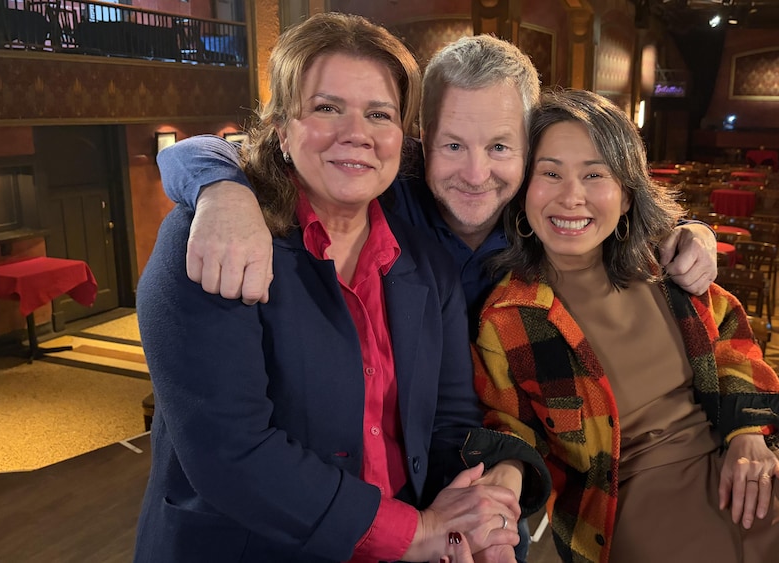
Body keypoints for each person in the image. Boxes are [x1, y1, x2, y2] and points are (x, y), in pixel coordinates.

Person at [155, 32, 720, 557]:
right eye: (453, 144)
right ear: (421, 141)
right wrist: (221, 189)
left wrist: (683, 233)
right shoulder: (387, 196)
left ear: (528, 148)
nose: (476, 174)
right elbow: (208, 150)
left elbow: (613, 214)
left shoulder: (543, 227)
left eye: (501, 147)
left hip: (465, 469)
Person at [135, 13, 550, 563]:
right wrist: (417, 533)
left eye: (378, 114)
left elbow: (448, 421)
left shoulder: (432, 258)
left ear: (400, 139)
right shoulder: (217, 238)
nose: (356, 133)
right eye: (327, 108)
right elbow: (230, 452)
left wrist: (480, 517)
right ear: (281, 126)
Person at [472, 89, 779, 563]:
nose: (571, 196)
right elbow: (510, 423)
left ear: (625, 196)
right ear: (522, 191)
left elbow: (732, 343)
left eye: (595, 174)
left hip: (726, 452)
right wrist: (509, 471)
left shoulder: (666, 266)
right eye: (550, 173)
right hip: (624, 494)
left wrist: (749, 435)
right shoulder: (509, 313)